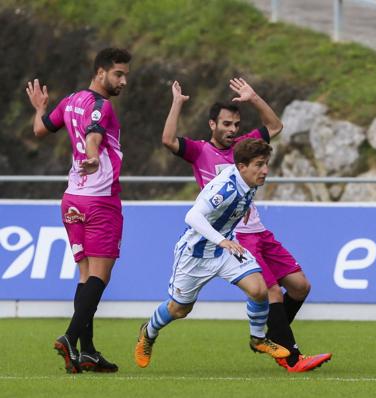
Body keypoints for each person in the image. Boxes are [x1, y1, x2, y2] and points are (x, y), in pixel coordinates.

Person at [159, 78, 331, 372]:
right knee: (272, 292)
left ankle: (271, 336)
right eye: (226, 124)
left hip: (260, 230)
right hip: (237, 235)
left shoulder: (245, 148)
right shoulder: (199, 151)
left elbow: (275, 127)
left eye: (236, 124)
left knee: (301, 286)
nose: (232, 130)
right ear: (212, 124)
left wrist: (254, 98)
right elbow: (168, 140)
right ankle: (291, 357)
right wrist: (176, 103)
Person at [134, 139, 290, 368]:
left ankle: (258, 339)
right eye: (259, 164)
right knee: (179, 309)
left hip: (225, 250)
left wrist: (240, 216)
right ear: (242, 166)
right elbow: (193, 217)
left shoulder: (250, 179)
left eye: (266, 164)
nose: (265, 170)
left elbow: (240, 201)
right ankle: (148, 333)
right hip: (195, 254)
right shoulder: (225, 187)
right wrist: (222, 240)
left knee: (259, 290)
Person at [26, 47, 132, 373]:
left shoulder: (70, 100)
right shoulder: (102, 105)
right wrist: (92, 155)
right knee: (100, 275)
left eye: (125, 74)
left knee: (86, 276)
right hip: (99, 201)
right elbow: (94, 135)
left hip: (72, 199)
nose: (123, 81)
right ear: (100, 73)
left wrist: (40, 108)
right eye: (118, 73)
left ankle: (87, 352)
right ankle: (71, 337)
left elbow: (40, 130)